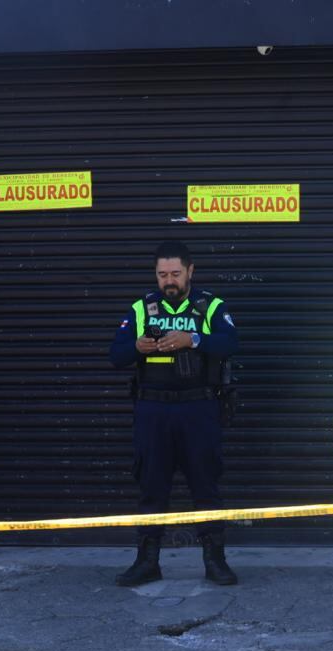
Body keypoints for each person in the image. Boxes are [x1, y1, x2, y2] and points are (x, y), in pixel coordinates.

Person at [108, 240, 239, 587]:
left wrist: (191, 339)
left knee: (205, 486)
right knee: (152, 487)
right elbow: (115, 354)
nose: (169, 281)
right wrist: (136, 346)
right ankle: (147, 561)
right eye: (162, 274)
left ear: (190, 271)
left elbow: (230, 343)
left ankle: (215, 561)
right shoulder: (142, 308)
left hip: (198, 407)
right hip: (153, 410)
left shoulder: (209, 306)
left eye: (175, 274)